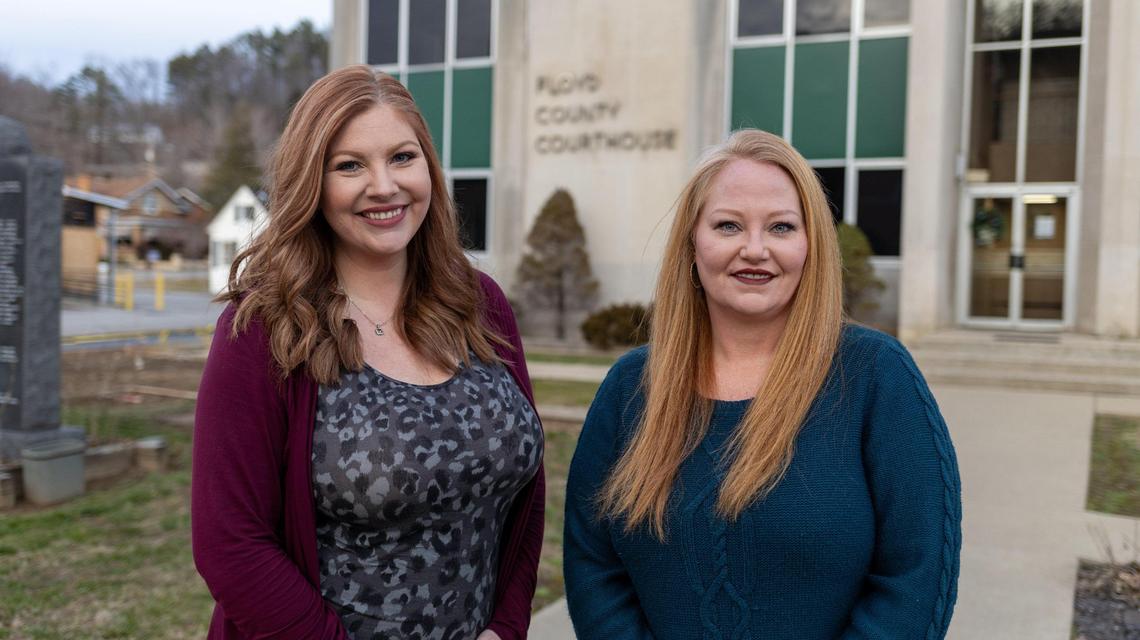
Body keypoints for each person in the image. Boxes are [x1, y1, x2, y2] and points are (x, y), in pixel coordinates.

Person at [564, 129, 961, 639]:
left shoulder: (875, 376)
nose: (755, 249)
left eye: (781, 227)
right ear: (692, 243)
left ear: (810, 245)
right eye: (728, 225)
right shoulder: (632, 387)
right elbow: (592, 562)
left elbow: (917, 574)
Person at [192, 65, 544, 640]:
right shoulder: (265, 328)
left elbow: (525, 492)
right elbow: (230, 542)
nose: (384, 185)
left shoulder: (480, 304)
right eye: (349, 165)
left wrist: (504, 628)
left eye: (402, 157)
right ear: (312, 183)